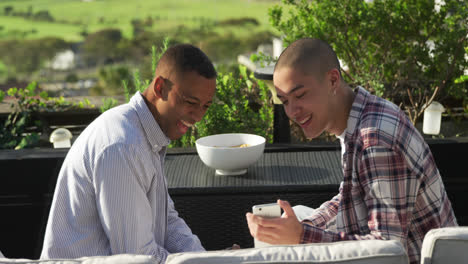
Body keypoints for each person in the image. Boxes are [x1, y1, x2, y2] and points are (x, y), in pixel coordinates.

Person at [246, 38, 457, 264]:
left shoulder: (374, 140)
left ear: (333, 80)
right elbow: (350, 195)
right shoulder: (360, 115)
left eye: (300, 95)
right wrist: (300, 228)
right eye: (285, 101)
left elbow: (387, 251)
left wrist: (302, 237)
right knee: (297, 215)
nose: (292, 112)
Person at [41, 44, 217, 263]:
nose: (198, 116)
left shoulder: (146, 135)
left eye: (206, 106)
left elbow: (167, 221)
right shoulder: (122, 147)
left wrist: (207, 259)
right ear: (160, 87)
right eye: (190, 102)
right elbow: (137, 257)